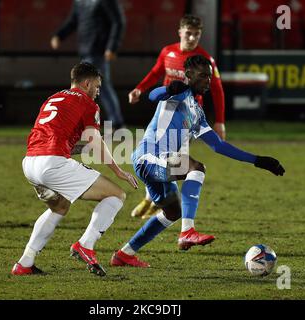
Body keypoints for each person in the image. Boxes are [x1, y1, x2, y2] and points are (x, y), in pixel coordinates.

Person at [110, 55, 285, 267]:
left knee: (172, 212)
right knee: (196, 168)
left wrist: (258, 160)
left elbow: (218, 145)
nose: (207, 81)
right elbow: (153, 96)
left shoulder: (197, 113)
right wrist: (168, 89)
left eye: (209, 77)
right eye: (203, 76)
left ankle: (124, 254)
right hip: (148, 157)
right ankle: (187, 232)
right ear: (189, 76)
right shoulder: (179, 93)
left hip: (159, 164)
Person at [11, 62, 138, 277]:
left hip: (30, 162)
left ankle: (25, 262)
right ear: (87, 83)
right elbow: (94, 140)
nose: (98, 92)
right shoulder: (88, 104)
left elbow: (64, 138)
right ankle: (85, 245)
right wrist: (118, 171)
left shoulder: (53, 98)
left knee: (59, 206)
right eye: (97, 87)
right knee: (116, 195)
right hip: (52, 163)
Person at [129, 15, 227, 220]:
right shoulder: (168, 51)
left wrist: (220, 121)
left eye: (196, 34)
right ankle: (153, 199)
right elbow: (156, 72)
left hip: (187, 117)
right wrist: (140, 88)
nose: (192, 38)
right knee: (157, 155)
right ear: (180, 32)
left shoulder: (205, 60)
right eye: (188, 33)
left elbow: (217, 90)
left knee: (174, 160)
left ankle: (158, 201)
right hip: (164, 112)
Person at [50, 0, 126, 129]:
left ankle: (111, 123)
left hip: (98, 50)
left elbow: (118, 22)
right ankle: (114, 122)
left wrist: (111, 47)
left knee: (93, 87)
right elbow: (73, 21)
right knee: (96, 88)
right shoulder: (80, 2)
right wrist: (59, 35)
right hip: (86, 50)